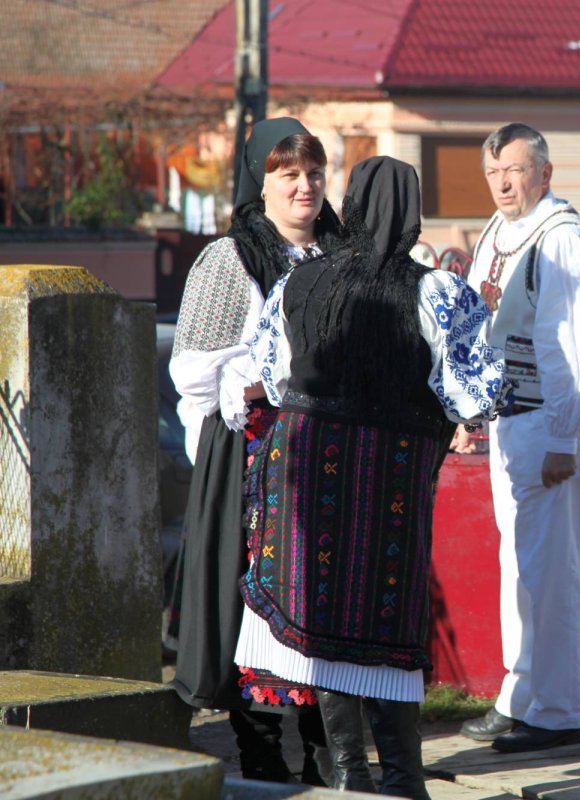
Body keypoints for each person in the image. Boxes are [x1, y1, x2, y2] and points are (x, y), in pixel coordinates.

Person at [236, 156, 507, 796]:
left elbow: (270, 377)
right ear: (412, 214)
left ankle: (350, 779)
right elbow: (476, 396)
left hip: (307, 475)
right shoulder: (438, 292)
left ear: (351, 206)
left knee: (322, 615)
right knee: (386, 616)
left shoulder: (300, 283)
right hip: (389, 482)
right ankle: (405, 781)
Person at [169, 117, 341, 783]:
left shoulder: (342, 253)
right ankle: (262, 751)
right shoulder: (231, 259)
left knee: (327, 605)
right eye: (289, 174)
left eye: (314, 172)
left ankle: (330, 754)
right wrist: (259, 381)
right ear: (260, 185)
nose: (305, 186)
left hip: (332, 460)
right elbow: (193, 374)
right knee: (260, 609)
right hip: (256, 465)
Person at [456, 123, 580, 753]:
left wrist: (563, 438)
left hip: (556, 429)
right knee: (519, 569)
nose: (503, 182)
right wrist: (471, 412)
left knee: (555, 575)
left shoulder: (563, 239)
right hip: (510, 425)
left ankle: (555, 711)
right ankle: (519, 692)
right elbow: (481, 328)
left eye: (517, 170)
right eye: (494, 172)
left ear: (545, 175)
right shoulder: (499, 231)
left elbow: (574, 345)